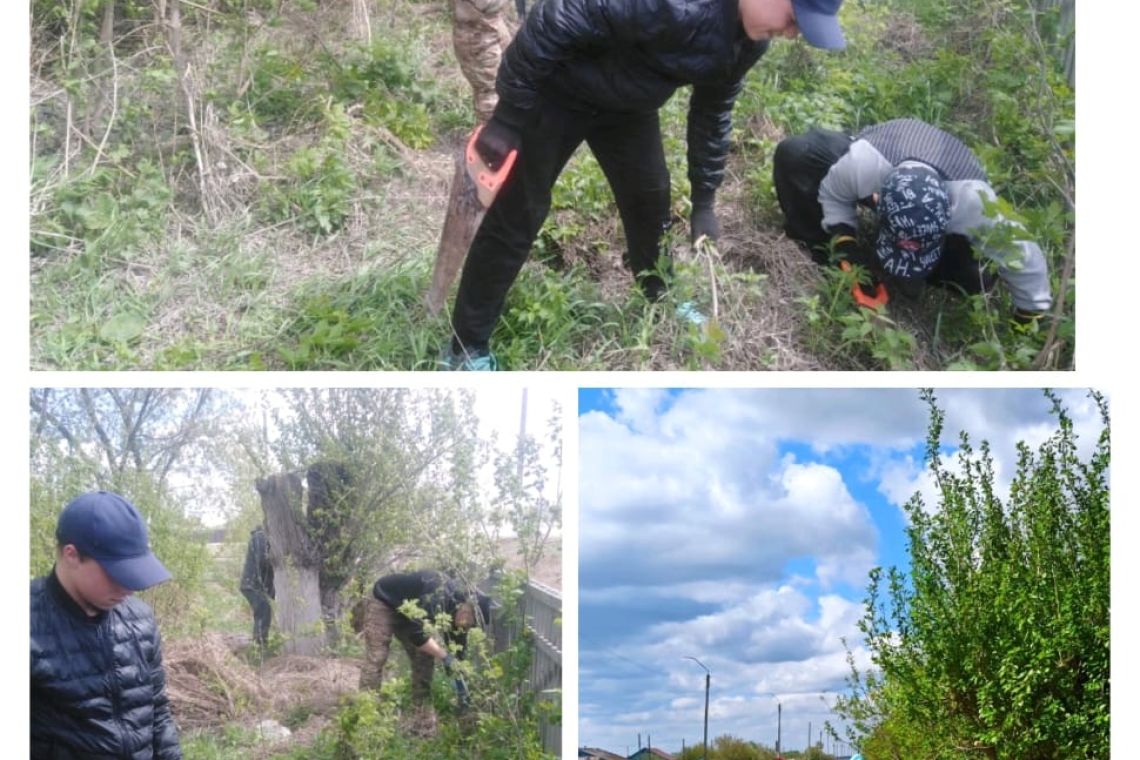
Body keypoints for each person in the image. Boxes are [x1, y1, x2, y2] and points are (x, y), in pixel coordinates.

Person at [441, 0, 848, 369]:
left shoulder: (747, 43)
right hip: (558, 91)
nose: (791, 33)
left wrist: (705, 200)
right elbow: (556, 17)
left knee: (650, 201)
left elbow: (713, 110)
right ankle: (466, 346)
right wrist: (510, 117)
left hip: (628, 107)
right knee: (519, 213)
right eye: (794, 18)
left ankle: (659, 295)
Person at [772, 117, 1053, 320]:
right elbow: (834, 196)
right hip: (883, 152)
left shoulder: (975, 204)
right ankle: (818, 245)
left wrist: (1024, 326)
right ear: (876, 200)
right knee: (796, 153)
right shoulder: (863, 165)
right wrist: (846, 249)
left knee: (972, 278)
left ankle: (929, 271)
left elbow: (1028, 263)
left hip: (951, 179)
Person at [31, 490, 183, 759]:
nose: (129, 588)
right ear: (71, 556)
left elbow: (157, 710)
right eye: (116, 574)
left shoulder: (139, 618)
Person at [352, 569, 492, 736]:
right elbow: (418, 635)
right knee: (377, 657)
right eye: (469, 624)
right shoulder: (438, 593)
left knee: (424, 658)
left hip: (409, 613)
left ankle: (422, 720)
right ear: (466, 611)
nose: (466, 628)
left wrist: (459, 679)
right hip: (385, 601)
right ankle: (367, 715)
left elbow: (458, 650)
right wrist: (445, 657)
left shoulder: (459, 614)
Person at [453, 0, 515, 125]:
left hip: (492, 26)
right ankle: (489, 139)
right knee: (489, 96)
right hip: (477, 37)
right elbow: (488, 5)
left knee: (512, 79)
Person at [240, 524, 275, 659]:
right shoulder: (260, 536)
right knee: (263, 612)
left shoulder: (261, 537)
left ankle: (259, 645)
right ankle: (260, 648)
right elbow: (262, 560)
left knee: (263, 611)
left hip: (252, 583)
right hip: (252, 583)